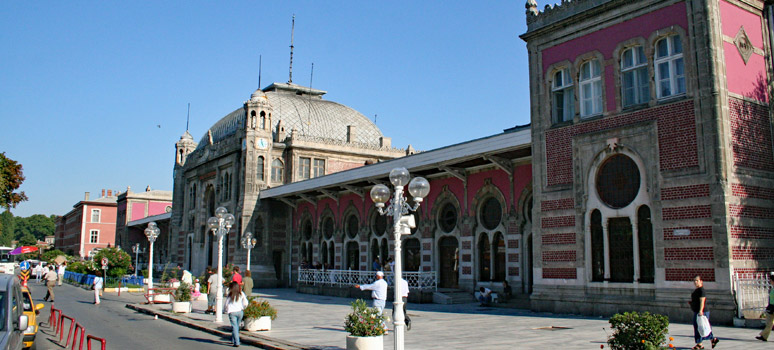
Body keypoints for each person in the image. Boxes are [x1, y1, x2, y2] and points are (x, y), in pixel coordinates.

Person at [689, 276, 719, 349]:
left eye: (697, 280)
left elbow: (702, 301)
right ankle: (711, 340)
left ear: (701, 281)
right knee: (700, 327)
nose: (695, 282)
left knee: (701, 327)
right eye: (694, 281)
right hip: (697, 311)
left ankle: (700, 344)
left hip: (702, 312)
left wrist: (700, 311)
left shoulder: (702, 291)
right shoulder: (697, 290)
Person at [224, 281, 247, 347]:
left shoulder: (230, 294)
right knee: (236, 326)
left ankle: (237, 342)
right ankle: (233, 340)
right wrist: (243, 307)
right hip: (240, 312)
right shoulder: (241, 293)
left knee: (234, 327)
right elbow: (245, 303)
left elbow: (226, 304)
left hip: (232, 312)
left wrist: (225, 310)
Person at [756, 272, 774, 342]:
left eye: (770, 280)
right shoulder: (772, 288)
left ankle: (763, 334)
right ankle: (764, 336)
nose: (770, 282)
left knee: (770, 323)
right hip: (771, 307)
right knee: (769, 323)